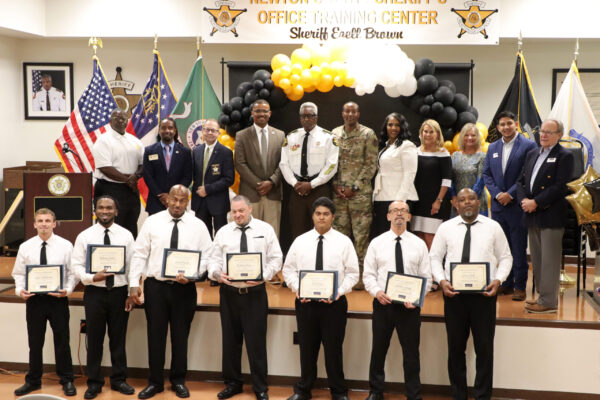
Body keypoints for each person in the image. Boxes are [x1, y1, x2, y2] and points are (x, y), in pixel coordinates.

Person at [128, 185, 213, 399]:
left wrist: (195, 274)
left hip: (185, 289)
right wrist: (133, 283)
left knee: (180, 337)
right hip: (156, 288)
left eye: (182, 200)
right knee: (155, 337)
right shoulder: (152, 222)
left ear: (188, 201)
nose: (177, 204)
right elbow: (139, 254)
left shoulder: (198, 226)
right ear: (168, 200)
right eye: (174, 199)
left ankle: (178, 381)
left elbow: (208, 256)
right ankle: (155, 383)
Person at [430, 188, 512, 400]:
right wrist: (441, 281)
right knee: (455, 350)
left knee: (484, 350)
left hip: (484, 297)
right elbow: (434, 258)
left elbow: (505, 257)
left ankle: (482, 395)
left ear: (479, 202)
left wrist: (498, 280)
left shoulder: (493, 227)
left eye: (472, 199)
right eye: (462, 200)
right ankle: (458, 395)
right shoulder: (446, 228)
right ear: (455, 204)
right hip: (453, 296)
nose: (467, 203)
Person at [283, 197, 359, 400]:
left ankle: (338, 391)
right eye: (318, 214)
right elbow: (288, 270)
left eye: (326, 214)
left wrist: (338, 292)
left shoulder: (344, 242)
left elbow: (353, 274)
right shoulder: (300, 241)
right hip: (305, 303)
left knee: (334, 349)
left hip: (334, 304)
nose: (322, 217)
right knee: (307, 348)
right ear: (313, 216)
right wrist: (297, 288)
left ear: (333, 217)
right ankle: (303, 390)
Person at [208, 195, 283, 400]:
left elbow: (276, 257)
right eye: (234, 212)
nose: (238, 215)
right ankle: (233, 383)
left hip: (255, 294)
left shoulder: (265, 230)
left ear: (250, 209)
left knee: (256, 341)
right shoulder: (223, 232)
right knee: (230, 341)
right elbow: (212, 260)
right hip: (229, 294)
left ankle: (260, 387)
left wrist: (264, 276)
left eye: (241, 211)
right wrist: (217, 274)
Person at [363, 201, 431, 400]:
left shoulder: (419, 244)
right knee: (378, 350)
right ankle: (376, 392)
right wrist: (377, 292)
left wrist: (417, 298)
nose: (399, 214)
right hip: (384, 304)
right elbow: (368, 275)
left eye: (403, 211)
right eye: (395, 210)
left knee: (411, 354)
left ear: (409, 217)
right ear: (388, 216)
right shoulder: (377, 243)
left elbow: (426, 276)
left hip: (410, 308)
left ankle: (413, 394)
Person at [71, 195, 136, 399]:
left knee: (118, 339)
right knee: (95, 339)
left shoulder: (126, 235)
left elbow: (134, 265)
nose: (105, 211)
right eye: (101, 207)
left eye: (109, 208)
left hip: (119, 293)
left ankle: (119, 380)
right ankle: (94, 382)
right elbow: (76, 266)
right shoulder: (85, 236)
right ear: (95, 210)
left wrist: (131, 292)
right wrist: (92, 277)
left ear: (116, 211)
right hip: (95, 293)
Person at [11, 208, 77, 397]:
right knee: (35, 343)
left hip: (58, 300)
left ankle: (67, 380)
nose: (44, 224)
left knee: (62, 342)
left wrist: (68, 289)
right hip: (34, 301)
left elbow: (72, 273)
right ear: (34, 224)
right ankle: (33, 381)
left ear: (54, 224)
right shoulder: (26, 247)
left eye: (48, 221)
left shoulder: (65, 246)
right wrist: (19, 290)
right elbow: (18, 273)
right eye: (40, 221)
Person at [517, 119, 574, 314]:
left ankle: (549, 302)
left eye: (549, 132)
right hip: (531, 213)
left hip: (550, 213)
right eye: (542, 131)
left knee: (549, 260)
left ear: (559, 135)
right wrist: (524, 200)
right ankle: (543, 296)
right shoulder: (532, 153)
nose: (543, 135)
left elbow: (561, 186)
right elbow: (521, 181)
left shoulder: (565, 156)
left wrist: (537, 202)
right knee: (538, 259)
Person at [482, 111, 537, 301]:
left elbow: (527, 174)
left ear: (516, 124)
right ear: (497, 128)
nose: (505, 127)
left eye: (509, 123)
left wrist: (510, 194)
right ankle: (505, 283)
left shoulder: (529, 145)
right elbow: (487, 174)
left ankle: (520, 285)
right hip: (498, 206)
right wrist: (497, 194)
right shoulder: (493, 147)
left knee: (518, 247)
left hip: (517, 205)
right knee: (500, 248)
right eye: (502, 125)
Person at [331, 102, 378, 289]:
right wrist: (335, 185)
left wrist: (355, 187)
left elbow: (371, 165)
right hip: (338, 196)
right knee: (339, 238)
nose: (350, 114)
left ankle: (361, 278)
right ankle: (342, 275)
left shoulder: (368, 134)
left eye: (354, 111)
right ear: (342, 113)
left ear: (358, 114)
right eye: (347, 111)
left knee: (361, 238)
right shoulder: (334, 134)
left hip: (360, 197)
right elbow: (330, 162)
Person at [280, 102, 339, 239]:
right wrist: (295, 183)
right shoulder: (291, 137)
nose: (307, 119)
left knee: (322, 229)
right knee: (297, 230)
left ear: (316, 117)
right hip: (297, 189)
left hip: (319, 189)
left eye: (310, 116)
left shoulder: (328, 137)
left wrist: (312, 184)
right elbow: (284, 164)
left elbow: (331, 165)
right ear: (300, 118)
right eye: (303, 116)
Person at [234, 100, 285, 236]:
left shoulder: (280, 135)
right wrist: (259, 185)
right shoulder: (241, 135)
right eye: (257, 111)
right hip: (251, 194)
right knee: (251, 235)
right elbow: (240, 163)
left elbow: (284, 163)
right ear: (252, 113)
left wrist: (271, 182)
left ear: (270, 113)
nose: (261, 114)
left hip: (273, 193)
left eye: (264, 111)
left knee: (272, 235)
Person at [93, 108, 144, 237]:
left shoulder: (135, 141)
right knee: (110, 225)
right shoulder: (103, 140)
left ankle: (129, 255)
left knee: (131, 223)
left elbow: (143, 164)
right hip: (110, 188)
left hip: (130, 189)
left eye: (124, 119)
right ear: (110, 122)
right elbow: (105, 167)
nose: (121, 121)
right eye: (117, 119)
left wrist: (136, 176)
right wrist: (128, 180)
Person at [372, 112, 418, 236]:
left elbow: (410, 174)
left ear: (402, 127)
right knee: (383, 235)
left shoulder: (407, 145)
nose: (393, 128)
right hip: (382, 197)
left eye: (397, 125)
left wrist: (400, 202)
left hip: (397, 198)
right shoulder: (385, 146)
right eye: (390, 124)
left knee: (398, 236)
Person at [411, 119, 452, 249]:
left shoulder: (443, 153)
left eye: (431, 132)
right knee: (418, 239)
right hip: (417, 202)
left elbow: (446, 180)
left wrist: (438, 201)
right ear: (421, 133)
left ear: (438, 134)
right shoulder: (415, 151)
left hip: (434, 203)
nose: (427, 134)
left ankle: (433, 269)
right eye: (425, 131)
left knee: (431, 239)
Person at [191, 119, 235, 238]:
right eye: (207, 130)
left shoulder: (226, 152)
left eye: (213, 130)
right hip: (200, 202)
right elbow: (194, 176)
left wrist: (208, 189)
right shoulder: (196, 151)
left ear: (218, 133)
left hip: (218, 201)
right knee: (203, 236)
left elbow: (229, 179)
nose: (210, 133)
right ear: (203, 131)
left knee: (221, 236)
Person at [143, 117, 193, 215]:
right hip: (156, 201)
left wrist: (173, 196)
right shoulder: (149, 151)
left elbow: (188, 176)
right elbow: (148, 175)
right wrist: (161, 195)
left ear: (175, 131)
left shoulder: (185, 152)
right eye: (163, 128)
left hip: (178, 202)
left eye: (170, 128)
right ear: (159, 131)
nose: (167, 131)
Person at [450, 123, 488, 216]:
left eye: (473, 135)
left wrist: (468, 201)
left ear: (478, 137)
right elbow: (450, 180)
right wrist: (454, 198)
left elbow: (480, 181)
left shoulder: (482, 157)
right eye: (466, 135)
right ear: (462, 137)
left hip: (477, 202)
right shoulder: (454, 156)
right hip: (457, 203)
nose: (469, 138)